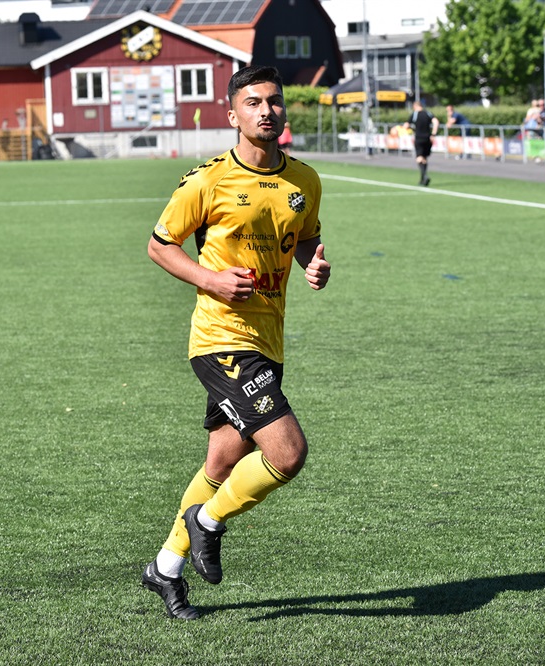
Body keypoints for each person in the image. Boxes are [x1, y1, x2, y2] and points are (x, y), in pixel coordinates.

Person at [141, 65, 331, 621]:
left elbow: (306, 239)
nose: (266, 110)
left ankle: (165, 569)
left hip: (268, 339)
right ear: (232, 115)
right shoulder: (207, 180)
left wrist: (313, 265)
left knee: (223, 461)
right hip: (221, 338)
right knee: (286, 453)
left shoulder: (304, 181)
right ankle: (206, 521)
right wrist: (211, 279)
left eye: (274, 101)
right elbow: (159, 245)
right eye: (253, 102)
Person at [403, 99, 438, 186]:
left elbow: (406, 126)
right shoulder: (428, 113)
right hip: (428, 138)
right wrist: (433, 134)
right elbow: (436, 122)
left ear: (415, 106)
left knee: (419, 157)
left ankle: (424, 175)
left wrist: (412, 129)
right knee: (424, 158)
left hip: (419, 138)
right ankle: (422, 179)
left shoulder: (415, 114)